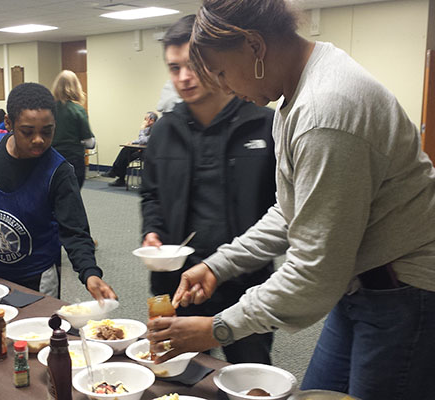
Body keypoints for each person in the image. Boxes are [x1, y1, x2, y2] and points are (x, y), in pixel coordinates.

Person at [146, 2, 435, 399]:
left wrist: (217, 328)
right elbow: (290, 210)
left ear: (253, 46)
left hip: (403, 292)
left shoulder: (324, 111)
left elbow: (314, 272)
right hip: (360, 283)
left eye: (223, 72)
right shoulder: (299, 89)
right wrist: (218, 266)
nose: (225, 87)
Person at [140, 14, 276, 365]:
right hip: (176, 286)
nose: (183, 78)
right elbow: (151, 194)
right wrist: (152, 232)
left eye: (192, 65)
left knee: (248, 379)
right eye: (174, 68)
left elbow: (284, 212)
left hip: (245, 288)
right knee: (174, 374)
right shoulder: (164, 130)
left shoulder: (263, 125)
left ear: (215, 62)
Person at [0, 83, 116, 301]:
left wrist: (90, 273)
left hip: (38, 278)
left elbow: (75, 231)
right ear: (8, 123)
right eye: (27, 132)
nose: (39, 139)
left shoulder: (59, 171)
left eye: (47, 132)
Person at [51, 70, 95, 189]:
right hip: (73, 159)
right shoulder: (77, 110)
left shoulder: (49, 110)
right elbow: (89, 142)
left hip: (51, 159)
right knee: (72, 196)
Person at [102, 111, 158, 187]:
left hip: (151, 153)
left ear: (151, 120)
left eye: (145, 119)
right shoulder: (149, 128)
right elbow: (142, 140)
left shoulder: (156, 129)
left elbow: (143, 140)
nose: (144, 121)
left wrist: (142, 129)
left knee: (125, 156)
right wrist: (132, 142)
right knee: (126, 151)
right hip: (144, 150)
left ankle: (116, 174)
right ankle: (117, 175)